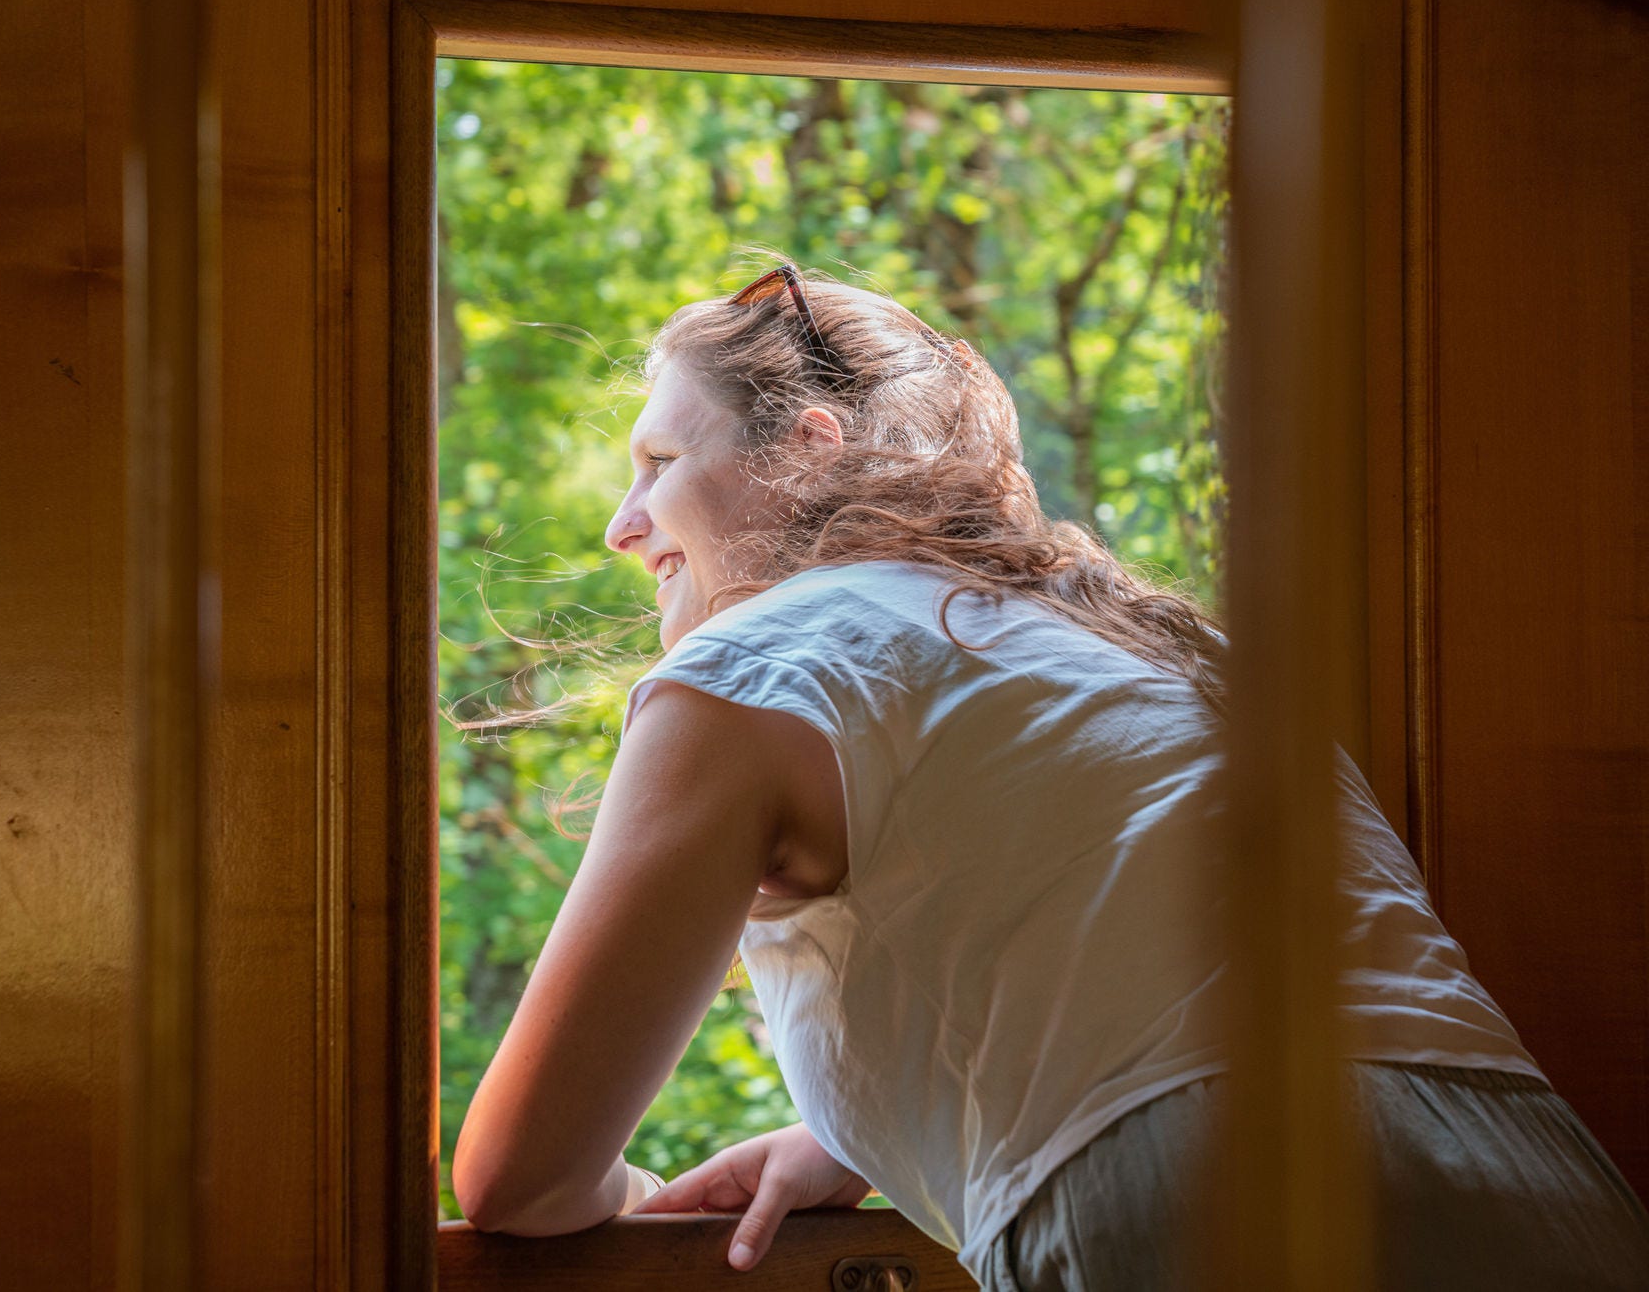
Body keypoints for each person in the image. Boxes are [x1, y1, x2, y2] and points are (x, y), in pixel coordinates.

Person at [448, 261, 1649, 1289]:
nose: (620, 523)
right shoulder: (1148, 643)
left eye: (657, 457)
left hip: (1186, 1204)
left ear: (807, 448)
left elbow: (518, 1178)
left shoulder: (757, 661)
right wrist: (862, 1138)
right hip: (1527, 1169)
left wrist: (641, 1207)